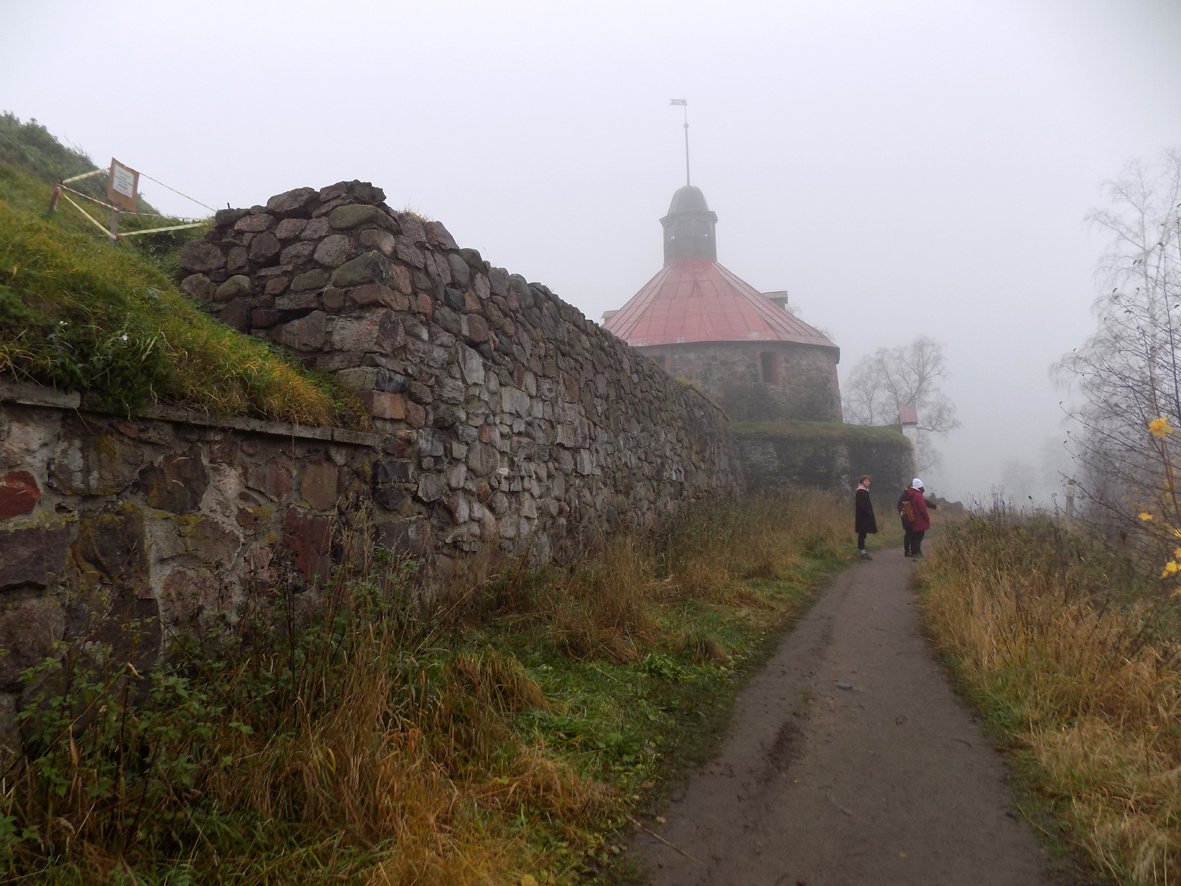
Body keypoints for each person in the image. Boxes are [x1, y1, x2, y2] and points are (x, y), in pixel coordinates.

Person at [902, 478, 938, 559]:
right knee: (919, 537)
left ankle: (915, 553)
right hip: (920, 519)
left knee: (915, 536)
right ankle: (916, 553)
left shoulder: (912, 494)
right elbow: (922, 508)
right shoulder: (918, 495)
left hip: (915, 519)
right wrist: (927, 518)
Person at [854, 474, 877, 560]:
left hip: (865, 516)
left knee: (863, 533)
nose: (867, 482)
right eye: (865, 481)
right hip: (862, 517)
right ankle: (862, 551)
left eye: (868, 481)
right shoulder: (860, 492)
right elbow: (861, 506)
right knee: (862, 533)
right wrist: (867, 513)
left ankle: (862, 549)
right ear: (862, 482)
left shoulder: (865, 491)